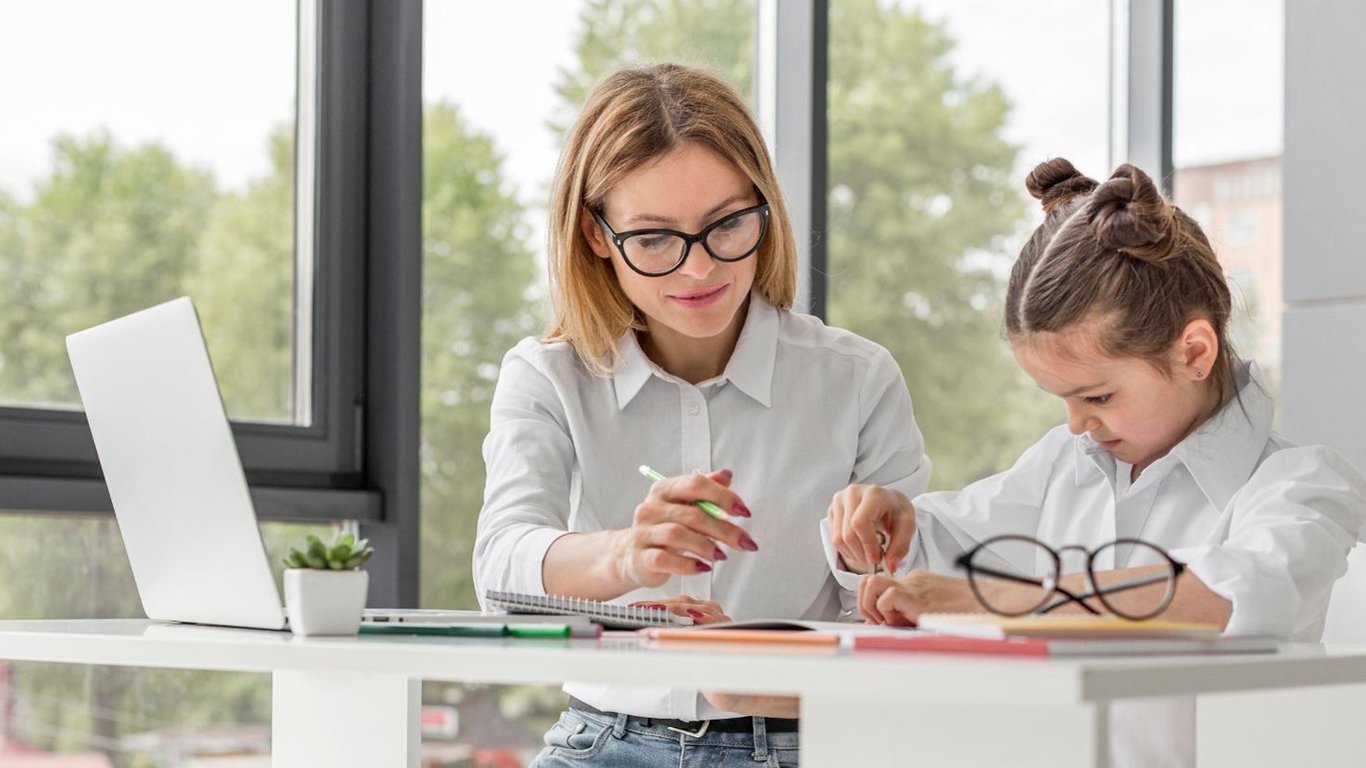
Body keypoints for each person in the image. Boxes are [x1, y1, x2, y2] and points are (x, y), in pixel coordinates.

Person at [827, 158, 1366, 766]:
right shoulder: (1067, 462)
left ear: (1194, 350)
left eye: (1098, 396)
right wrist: (888, 521)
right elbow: (941, 546)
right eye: (1062, 400)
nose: (1076, 423)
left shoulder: (1303, 487)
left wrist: (988, 600)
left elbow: (1224, 596)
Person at [472, 63, 930, 767]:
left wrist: (866, 561)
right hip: (601, 740)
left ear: (763, 209)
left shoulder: (856, 379)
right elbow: (500, 572)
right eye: (654, 239)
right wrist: (624, 554)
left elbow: (899, 625)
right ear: (597, 236)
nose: (699, 270)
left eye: (726, 225)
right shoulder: (548, 376)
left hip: (800, 746)